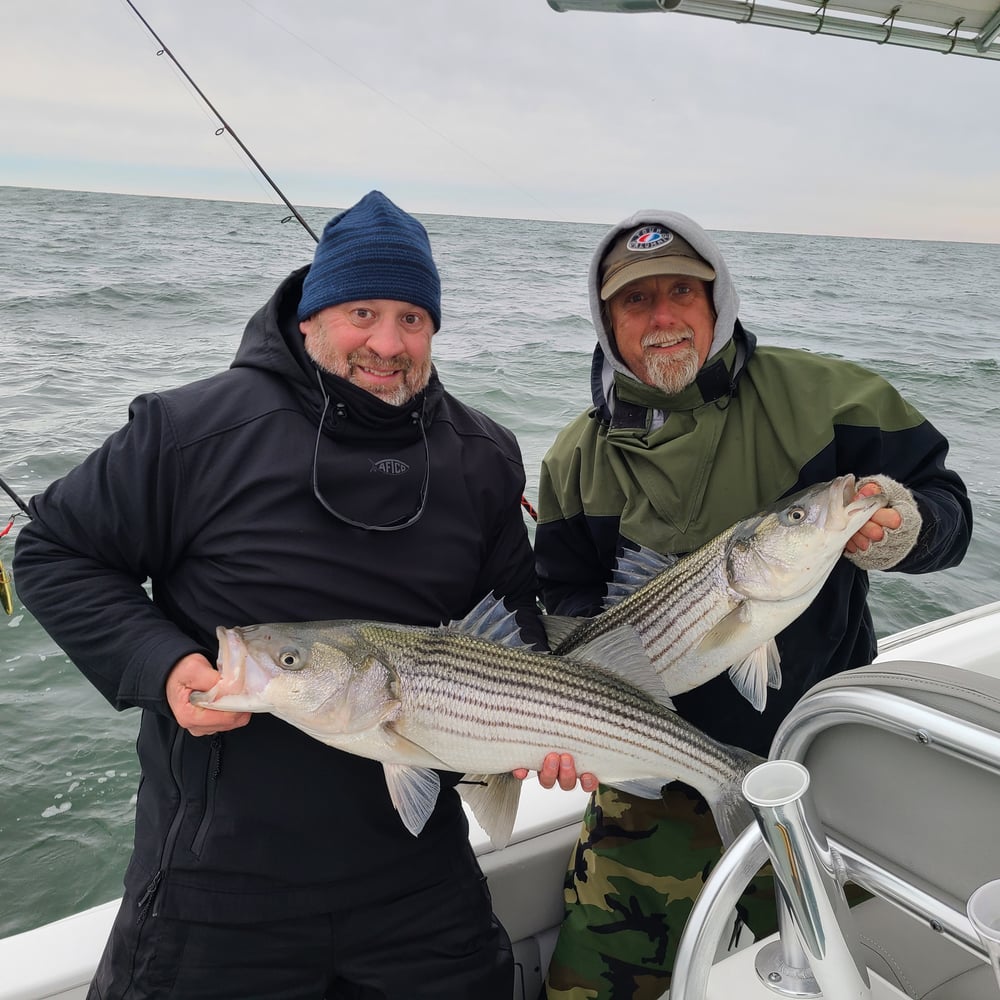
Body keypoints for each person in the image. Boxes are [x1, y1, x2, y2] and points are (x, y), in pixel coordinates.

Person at [14, 190, 562, 1000]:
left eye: (412, 318)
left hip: (416, 869)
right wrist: (163, 665)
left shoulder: (481, 454)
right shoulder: (189, 431)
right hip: (219, 875)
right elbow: (56, 551)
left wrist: (535, 723)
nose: (387, 342)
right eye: (362, 312)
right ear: (309, 317)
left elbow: (514, 615)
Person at [534, 209, 973, 999]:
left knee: (849, 975)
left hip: (823, 762)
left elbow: (948, 509)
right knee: (592, 984)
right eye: (637, 303)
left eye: (682, 293)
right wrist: (560, 713)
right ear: (606, 322)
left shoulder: (827, 396)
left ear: (719, 300)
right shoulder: (576, 456)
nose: (663, 318)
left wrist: (902, 528)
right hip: (645, 768)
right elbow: (563, 595)